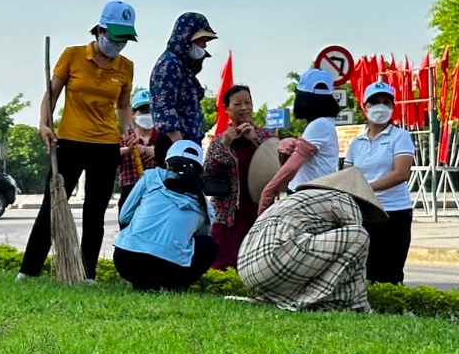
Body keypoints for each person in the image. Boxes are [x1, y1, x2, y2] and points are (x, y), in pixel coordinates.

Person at [19, 0, 138, 280]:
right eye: (115, 37)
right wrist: (44, 123)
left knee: (95, 213)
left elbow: (122, 105)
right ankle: (29, 270)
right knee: (53, 205)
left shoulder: (126, 67)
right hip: (70, 142)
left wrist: (128, 127)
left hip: (106, 146)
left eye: (125, 39)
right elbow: (52, 93)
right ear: (99, 30)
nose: (119, 44)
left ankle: (87, 274)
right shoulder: (72, 55)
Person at [239, 167, 385, 312]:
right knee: (359, 236)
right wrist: (362, 304)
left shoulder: (304, 198)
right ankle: (306, 302)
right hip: (276, 260)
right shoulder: (345, 199)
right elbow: (356, 251)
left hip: (247, 268)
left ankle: (282, 299)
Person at [112, 140, 217, 292]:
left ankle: (141, 284)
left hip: (126, 261)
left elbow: (124, 217)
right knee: (208, 245)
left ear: (167, 163)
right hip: (170, 270)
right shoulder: (202, 203)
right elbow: (202, 235)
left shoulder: (150, 177)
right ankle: (176, 287)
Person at [345, 79, 416, 283]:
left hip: (393, 213)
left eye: (386, 102)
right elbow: (348, 176)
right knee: (365, 270)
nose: (381, 106)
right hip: (364, 213)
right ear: (364, 106)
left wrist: (365, 188)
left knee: (390, 271)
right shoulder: (356, 143)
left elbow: (401, 173)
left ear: (393, 107)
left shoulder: (399, 136)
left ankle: (390, 312)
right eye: (375, 102)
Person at [204, 84, 273, 270]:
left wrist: (254, 140)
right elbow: (209, 171)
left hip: (259, 209)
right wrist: (225, 146)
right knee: (225, 262)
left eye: (247, 103)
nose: (244, 108)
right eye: (237, 104)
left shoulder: (265, 136)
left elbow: (277, 165)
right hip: (228, 213)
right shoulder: (219, 140)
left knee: (258, 261)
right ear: (226, 109)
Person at [258, 69, 341, 215]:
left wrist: (269, 191)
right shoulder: (323, 124)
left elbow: (293, 166)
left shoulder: (319, 125)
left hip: (309, 200)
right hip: (310, 197)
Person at [149, 12, 218, 163]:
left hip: (186, 143)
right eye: (201, 40)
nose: (204, 45)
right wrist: (180, 146)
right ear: (186, 38)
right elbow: (165, 106)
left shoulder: (183, 67)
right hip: (174, 144)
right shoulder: (169, 63)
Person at [118, 88, 156, 209]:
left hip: (156, 192)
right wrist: (129, 150)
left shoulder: (163, 140)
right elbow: (107, 155)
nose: (148, 114)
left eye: (151, 110)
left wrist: (157, 151)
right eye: (143, 111)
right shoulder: (124, 139)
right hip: (130, 191)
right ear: (133, 114)